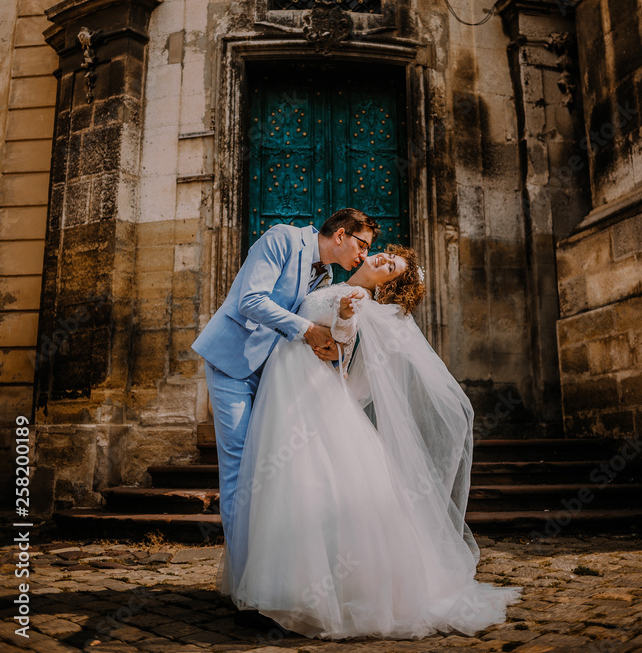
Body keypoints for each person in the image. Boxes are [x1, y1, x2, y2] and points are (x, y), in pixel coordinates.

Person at [219, 246, 521, 640]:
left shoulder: (358, 298)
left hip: (307, 385)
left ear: (388, 285)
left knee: (305, 480)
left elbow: (345, 338)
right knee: (294, 482)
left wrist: (344, 315)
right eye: (385, 255)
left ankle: (310, 592)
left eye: (391, 267)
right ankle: (284, 585)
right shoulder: (331, 281)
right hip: (289, 379)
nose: (380, 259)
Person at [190, 208, 379, 547]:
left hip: (274, 374)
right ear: (340, 235)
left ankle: (265, 567)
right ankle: (242, 577)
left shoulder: (325, 277)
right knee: (239, 469)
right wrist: (306, 329)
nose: (364, 256)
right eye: (362, 246)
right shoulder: (282, 238)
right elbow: (249, 300)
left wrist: (334, 351)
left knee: (264, 468)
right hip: (232, 362)